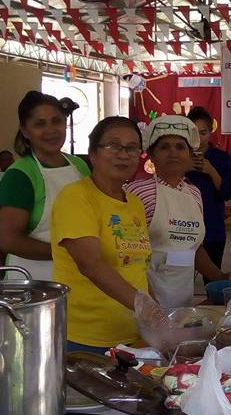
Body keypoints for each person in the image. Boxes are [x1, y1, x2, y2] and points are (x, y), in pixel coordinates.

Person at [50, 117, 166, 353]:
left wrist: (156, 315)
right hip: (87, 339)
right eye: (113, 145)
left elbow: (137, 270)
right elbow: (90, 264)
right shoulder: (75, 197)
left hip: (133, 334)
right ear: (93, 154)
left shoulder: (134, 203)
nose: (123, 154)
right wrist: (149, 310)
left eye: (132, 148)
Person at [125, 115, 226, 307]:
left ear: (190, 154)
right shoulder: (137, 193)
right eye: (164, 147)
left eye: (180, 147)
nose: (173, 153)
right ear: (152, 155)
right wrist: (150, 306)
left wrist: (222, 277)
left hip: (183, 307)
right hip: (143, 305)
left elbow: (194, 250)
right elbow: (126, 258)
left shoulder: (194, 193)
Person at [0, 91, 90, 280]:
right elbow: (9, 241)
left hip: (78, 274)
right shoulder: (20, 175)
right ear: (25, 131)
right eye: (40, 124)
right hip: (33, 280)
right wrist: (68, 254)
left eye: (56, 121)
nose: (51, 130)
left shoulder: (79, 165)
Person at [185, 107, 231, 272]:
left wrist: (211, 171)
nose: (198, 138)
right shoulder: (179, 156)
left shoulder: (222, 158)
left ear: (210, 133)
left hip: (212, 229)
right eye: (193, 133)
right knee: (180, 281)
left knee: (212, 281)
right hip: (182, 229)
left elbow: (227, 193)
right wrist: (183, 168)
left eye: (203, 132)